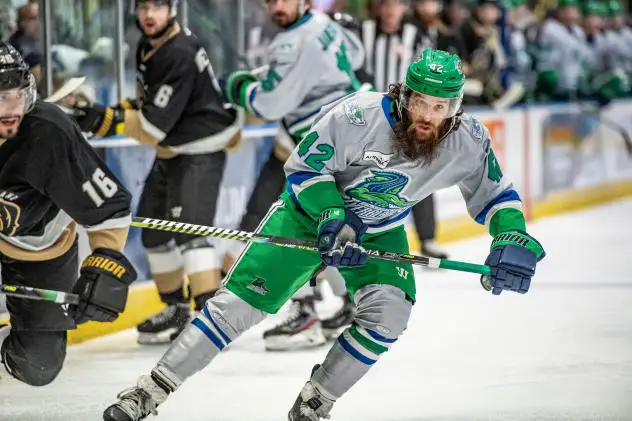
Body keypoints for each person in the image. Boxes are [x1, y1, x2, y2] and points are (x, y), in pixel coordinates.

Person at [103, 49, 545, 421]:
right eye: (421, 102)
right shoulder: (357, 115)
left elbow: (497, 195)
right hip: (306, 218)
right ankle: (148, 392)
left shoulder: (468, 140)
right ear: (405, 94)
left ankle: (315, 403)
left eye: (440, 107)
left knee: (390, 314)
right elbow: (305, 168)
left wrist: (510, 237)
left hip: (379, 229)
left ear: (456, 108)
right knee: (235, 308)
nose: (428, 116)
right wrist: (332, 217)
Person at [70, 0, 242, 344]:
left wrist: (104, 119)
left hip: (200, 150)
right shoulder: (150, 45)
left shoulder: (178, 51)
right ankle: (175, 308)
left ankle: (209, 317)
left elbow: (152, 127)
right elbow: (148, 104)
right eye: (144, 7)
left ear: (171, 10)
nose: (150, 15)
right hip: (174, 150)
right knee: (154, 231)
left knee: (190, 234)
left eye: (158, 7)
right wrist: (109, 114)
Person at [219, 0, 367, 351]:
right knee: (324, 226)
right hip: (345, 134)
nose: (275, 5)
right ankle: (350, 302)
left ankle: (308, 309)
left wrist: (240, 87)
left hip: (313, 145)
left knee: (295, 223)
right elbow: (357, 56)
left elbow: (270, 104)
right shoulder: (323, 23)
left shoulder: (289, 42)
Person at [0, 42, 136, 387]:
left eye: (12, 97)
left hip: (34, 245)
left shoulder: (48, 133)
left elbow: (110, 208)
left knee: (38, 364)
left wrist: (104, 262)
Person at [359, 0, 450, 259]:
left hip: (404, 118)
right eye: (386, 4)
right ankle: (363, 235)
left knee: (419, 173)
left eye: (396, 5)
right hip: (366, 119)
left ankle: (427, 238)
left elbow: (429, 76)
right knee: (362, 176)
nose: (390, 10)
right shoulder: (361, 31)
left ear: (403, 8)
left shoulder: (416, 35)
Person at [8, 2, 42, 84]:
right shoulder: (16, 43)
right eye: (32, 18)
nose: (36, 22)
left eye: (37, 18)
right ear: (22, 20)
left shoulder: (37, 38)